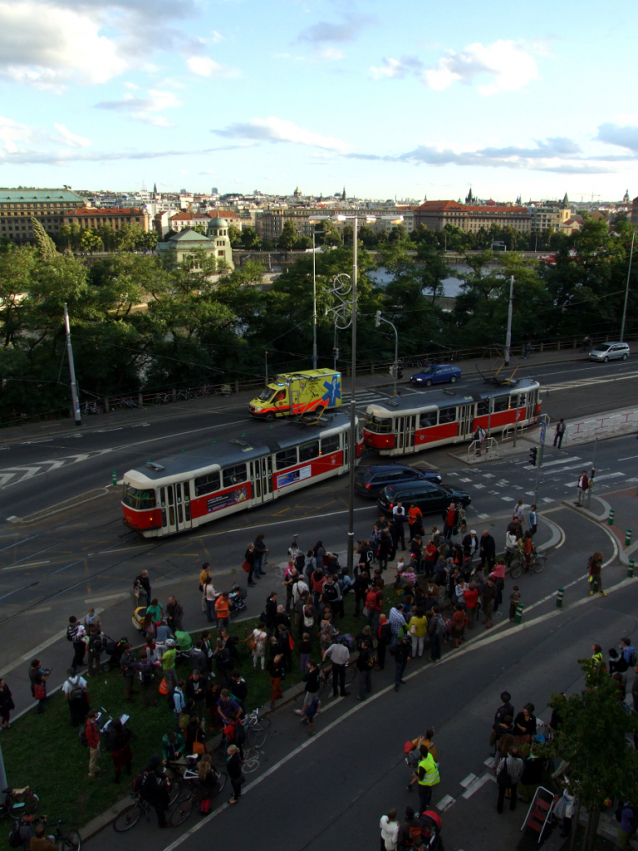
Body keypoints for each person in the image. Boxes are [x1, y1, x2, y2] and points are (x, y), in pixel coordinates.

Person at [139, 755, 170, 827]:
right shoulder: (151, 776)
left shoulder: (146, 769)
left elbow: (156, 773)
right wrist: (165, 785)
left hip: (142, 789)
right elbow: (155, 789)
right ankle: (162, 823)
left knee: (162, 792)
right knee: (158, 805)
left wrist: (164, 776)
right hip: (147, 794)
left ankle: (165, 805)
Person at [414, 744, 440, 814]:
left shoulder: (423, 765)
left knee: (422, 798)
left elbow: (420, 778)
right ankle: (428, 803)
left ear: (421, 754)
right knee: (429, 791)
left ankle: (422, 811)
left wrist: (415, 775)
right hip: (431, 780)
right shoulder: (429, 755)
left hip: (424, 783)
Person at [109, 718, 132, 783]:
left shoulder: (113, 735)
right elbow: (130, 733)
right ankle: (129, 772)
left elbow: (113, 745)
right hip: (125, 747)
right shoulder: (124, 729)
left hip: (117, 752)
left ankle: (117, 779)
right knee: (128, 760)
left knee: (117, 766)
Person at [85, 708, 101, 779]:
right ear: (93, 717)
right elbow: (89, 739)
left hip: (96, 742)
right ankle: (91, 773)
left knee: (97, 756)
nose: (97, 714)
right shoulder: (89, 727)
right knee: (93, 759)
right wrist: (94, 745)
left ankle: (95, 767)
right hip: (94, 745)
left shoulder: (93, 722)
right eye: (96, 714)